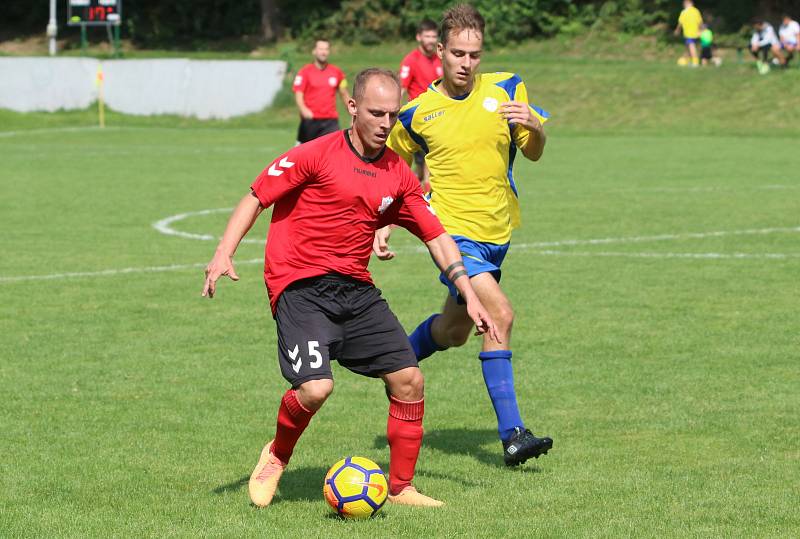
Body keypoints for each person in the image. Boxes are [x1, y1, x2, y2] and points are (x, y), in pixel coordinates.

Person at [202, 68, 499, 508]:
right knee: (316, 388)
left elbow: (436, 236)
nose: (385, 123)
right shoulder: (315, 153)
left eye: (393, 115)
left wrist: (469, 294)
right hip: (299, 284)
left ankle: (401, 487)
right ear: (353, 107)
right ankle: (277, 455)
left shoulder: (398, 173)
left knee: (409, 379)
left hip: (355, 290)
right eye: (376, 113)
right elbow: (256, 195)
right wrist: (224, 251)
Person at [376, 4, 553, 467]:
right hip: (452, 235)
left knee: (453, 332)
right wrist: (384, 223)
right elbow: (390, 171)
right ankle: (513, 434)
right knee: (501, 315)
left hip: (498, 231)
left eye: (474, 54)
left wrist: (536, 129)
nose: (466, 63)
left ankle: (394, 358)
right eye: (458, 53)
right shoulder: (417, 113)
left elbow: (531, 153)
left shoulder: (508, 88)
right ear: (440, 51)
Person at [399, 18, 443, 191]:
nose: (431, 40)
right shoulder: (410, 61)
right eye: (427, 36)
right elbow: (400, 88)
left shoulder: (440, 59)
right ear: (419, 37)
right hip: (418, 120)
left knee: (428, 166)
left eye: (434, 36)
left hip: (441, 118)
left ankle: (418, 196)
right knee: (425, 166)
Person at [292, 39, 349, 144]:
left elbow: (344, 94)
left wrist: (353, 112)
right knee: (303, 154)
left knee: (333, 151)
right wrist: (303, 109)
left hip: (330, 122)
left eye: (326, 49)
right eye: (321, 49)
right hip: (311, 120)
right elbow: (298, 93)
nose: (323, 52)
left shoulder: (337, 72)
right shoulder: (304, 72)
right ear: (314, 51)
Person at [674, 0, 703, 67]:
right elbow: (700, 22)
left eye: (685, 4)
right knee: (688, 47)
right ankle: (688, 60)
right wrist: (701, 30)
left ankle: (695, 62)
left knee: (691, 46)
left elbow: (680, 23)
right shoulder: (696, 11)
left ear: (689, 3)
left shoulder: (684, 12)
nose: (684, 5)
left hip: (689, 33)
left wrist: (677, 30)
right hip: (696, 32)